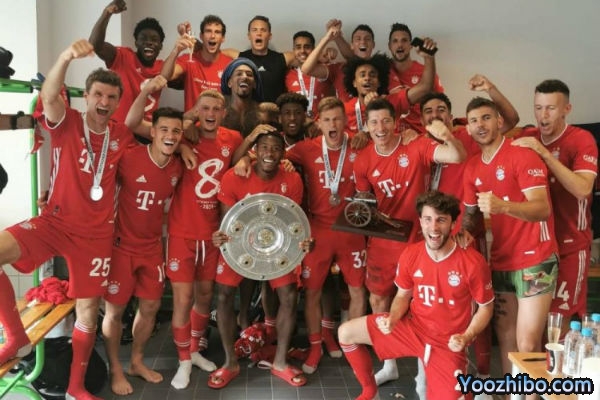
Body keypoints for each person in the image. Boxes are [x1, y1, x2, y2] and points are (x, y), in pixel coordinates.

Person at [0, 39, 136, 400]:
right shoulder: (67, 122)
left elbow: (147, 136)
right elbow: (48, 97)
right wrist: (65, 57)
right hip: (54, 223)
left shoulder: (121, 135)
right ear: (86, 97)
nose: (104, 102)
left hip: (96, 236)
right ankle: (17, 338)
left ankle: (76, 387)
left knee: (88, 310)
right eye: (98, 95)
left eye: (111, 97)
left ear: (117, 103)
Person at [417, 75, 520, 400]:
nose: (435, 115)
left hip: (465, 235)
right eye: (428, 111)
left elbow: (511, 120)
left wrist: (490, 88)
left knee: (478, 306)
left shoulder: (466, 135)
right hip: (434, 238)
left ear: (451, 116)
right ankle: (438, 373)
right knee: (439, 308)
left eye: (440, 110)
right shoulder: (420, 145)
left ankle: (484, 377)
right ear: (421, 120)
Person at [338, 190, 494, 400]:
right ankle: (370, 391)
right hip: (412, 328)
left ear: (453, 223)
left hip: (446, 343)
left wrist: (466, 336)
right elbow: (403, 295)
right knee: (346, 332)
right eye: (428, 219)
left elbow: (486, 308)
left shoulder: (473, 262)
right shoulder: (411, 254)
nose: (434, 227)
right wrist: (393, 318)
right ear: (420, 221)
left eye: (441, 220)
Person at [352, 97, 466, 385]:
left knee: (421, 306)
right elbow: (364, 202)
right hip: (382, 242)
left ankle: (422, 371)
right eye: (374, 122)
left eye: (386, 121)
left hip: (419, 241)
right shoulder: (363, 159)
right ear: (367, 126)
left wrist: (446, 135)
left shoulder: (416, 145)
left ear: (396, 123)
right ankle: (389, 364)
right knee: (378, 300)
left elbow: (457, 156)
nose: (380, 127)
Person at [462, 96, 559, 378]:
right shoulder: (472, 167)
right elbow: (470, 215)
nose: (480, 125)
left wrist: (503, 207)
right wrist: (461, 234)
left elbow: (542, 208)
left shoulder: (521, 154)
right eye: (473, 121)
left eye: (486, 118)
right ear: (467, 128)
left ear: (499, 121)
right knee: (505, 337)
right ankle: (510, 395)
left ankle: (531, 397)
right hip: (502, 258)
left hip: (536, 258)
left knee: (527, 342)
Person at [211, 131, 312, 388]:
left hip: (276, 245)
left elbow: (292, 221)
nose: (269, 153)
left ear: (283, 153)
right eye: (264, 147)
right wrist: (220, 237)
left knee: (289, 295)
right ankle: (230, 363)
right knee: (223, 294)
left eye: (276, 148)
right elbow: (227, 222)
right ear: (255, 151)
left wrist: (303, 241)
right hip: (239, 244)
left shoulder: (292, 179)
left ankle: (280, 362)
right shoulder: (234, 176)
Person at [102, 101, 184, 395]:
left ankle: (136, 362)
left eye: (176, 131)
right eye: (164, 129)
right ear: (152, 132)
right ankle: (115, 368)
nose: (170, 135)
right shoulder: (129, 157)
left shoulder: (177, 167)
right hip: (120, 247)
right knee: (114, 312)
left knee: (150, 307)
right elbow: (95, 182)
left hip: (152, 249)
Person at [166, 90, 244, 390]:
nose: (211, 113)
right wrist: (184, 137)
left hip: (213, 234)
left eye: (216, 109)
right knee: (183, 299)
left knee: (204, 296)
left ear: (224, 113)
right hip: (183, 233)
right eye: (205, 108)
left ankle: (194, 350)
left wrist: (245, 161)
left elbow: (241, 162)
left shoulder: (233, 138)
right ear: (196, 111)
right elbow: (149, 130)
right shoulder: (185, 134)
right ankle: (183, 361)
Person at [284, 96, 367, 374]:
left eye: (337, 119)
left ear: (345, 121)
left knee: (357, 289)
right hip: (317, 230)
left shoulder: (360, 144)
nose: (333, 125)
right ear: (318, 123)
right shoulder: (305, 149)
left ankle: (353, 344)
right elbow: (269, 156)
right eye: (327, 120)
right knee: (312, 292)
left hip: (351, 228)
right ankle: (315, 346)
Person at [512, 79, 598, 334]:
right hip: (537, 249)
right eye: (538, 108)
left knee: (560, 323)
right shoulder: (527, 137)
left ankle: (563, 362)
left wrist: (544, 154)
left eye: (550, 108)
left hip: (570, 244)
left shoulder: (581, 139)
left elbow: (583, 188)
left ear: (566, 109)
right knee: (535, 324)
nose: (543, 115)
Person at [342, 36, 437, 137]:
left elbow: (425, 87)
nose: (367, 78)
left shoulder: (391, 102)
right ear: (354, 83)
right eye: (362, 75)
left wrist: (429, 57)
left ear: (379, 82)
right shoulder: (344, 109)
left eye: (372, 75)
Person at [89, 0, 165, 124]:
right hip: (118, 128)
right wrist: (107, 13)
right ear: (136, 43)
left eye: (154, 39)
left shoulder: (163, 67)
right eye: (143, 38)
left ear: (160, 46)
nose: (149, 42)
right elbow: (95, 46)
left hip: (145, 130)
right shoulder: (123, 56)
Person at [161, 15, 233, 111]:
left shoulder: (230, 64)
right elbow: (165, 76)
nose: (212, 36)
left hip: (219, 120)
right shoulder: (189, 59)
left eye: (217, 32)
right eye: (208, 31)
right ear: (201, 36)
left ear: (223, 38)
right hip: (192, 119)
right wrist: (176, 50)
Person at [221, 15, 295, 103]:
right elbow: (212, 52)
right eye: (254, 30)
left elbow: (305, 58)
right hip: (249, 111)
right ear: (249, 36)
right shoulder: (239, 58)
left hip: (274, 110)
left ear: (270, 36)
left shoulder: (283, 58)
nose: (259, 33)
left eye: (263, 30)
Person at [387, 23, 444, 133]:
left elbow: (441, 105)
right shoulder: (382, 71)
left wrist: (429, 57)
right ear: (389, 46)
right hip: (392, 137)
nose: (400, 45)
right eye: (395, 41)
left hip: (421, 134)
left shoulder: (426, 71)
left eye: (404, 40)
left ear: (411, 45)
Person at [302, 20, 375, 102]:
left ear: (373, 44)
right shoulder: (339, 68)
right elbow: (306, 69)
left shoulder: (381, 68)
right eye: (358, 39)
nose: (363, 42)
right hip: (344, 110)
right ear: (351, 45)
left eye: (367, 39)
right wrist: (326, 38)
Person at [285, 30, 333, 119]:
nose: (302, 51)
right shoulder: (287, 72)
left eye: (307, 47)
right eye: (298, 47)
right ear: (293, 50)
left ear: (314, 49)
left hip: (322, 123)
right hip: (296, 123)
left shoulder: (324, 70)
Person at [220, 58, 265, 138]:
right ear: (229, 83)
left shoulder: (263, 113)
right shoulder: (218, 108)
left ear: (255, 84)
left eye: (249, 75)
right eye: (239, 74)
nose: (244, 77)